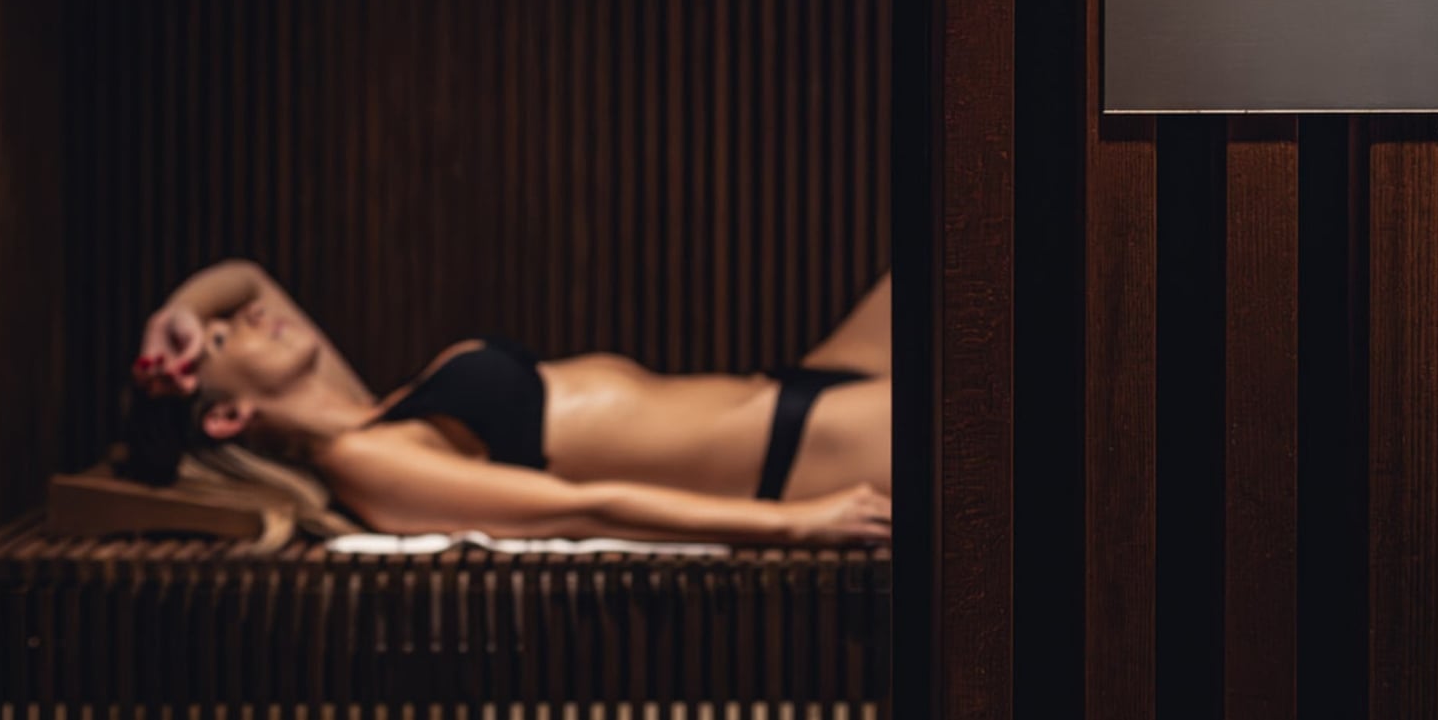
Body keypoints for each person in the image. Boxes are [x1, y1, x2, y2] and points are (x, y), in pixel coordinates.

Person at [129, 259, 891, 545]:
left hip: (801, 383)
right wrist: (790, 522)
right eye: (228, 339)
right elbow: (581, 507)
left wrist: (179, 323)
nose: (248, 317)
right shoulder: (368, 459)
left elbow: (244, 276)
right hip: (797, 449)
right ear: (229, 417)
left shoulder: (367, 411)